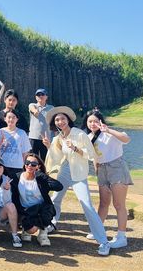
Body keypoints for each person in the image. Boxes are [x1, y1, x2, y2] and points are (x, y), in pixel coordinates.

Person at [42, 106, 111, 256]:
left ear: (68, 120)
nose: (60, 122)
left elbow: (91, 155)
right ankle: (52, 224)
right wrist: (49, 146)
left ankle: (103, 241)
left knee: (87, 205)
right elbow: (57, 158)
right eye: (57, 120)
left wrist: (75, 148)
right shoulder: (58, 138)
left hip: (79, 173)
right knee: (55, 199)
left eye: (62, 119)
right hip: (65, 170)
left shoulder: (79, 134)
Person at [84, 110, 132, 249]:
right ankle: (98, 230)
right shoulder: (88, 137)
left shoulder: (108, 134)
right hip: (102, 170)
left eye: (95, 121)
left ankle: (121, 236)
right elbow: (94, 157)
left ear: (100, 122)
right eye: (89, 121)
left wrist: (109, 130)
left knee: (119, 204)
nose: (92, 124)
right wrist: (97, 171)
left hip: (116, 167)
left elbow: (126, 139)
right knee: (103, 203)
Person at [10, 153, 63, 246]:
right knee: (31, 230)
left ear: (38, 167)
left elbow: (59, 186)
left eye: (33, 164)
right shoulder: (16, 177)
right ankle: (26, 229)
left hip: (41, 209)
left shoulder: (40, 179)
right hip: (26, 210)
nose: (30, 165)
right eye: (27, 163)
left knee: (47, 210)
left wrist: (43, 176)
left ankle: (43, 232)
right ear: (24, 164)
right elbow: (12, 196)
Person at [0, 110, 31, 179]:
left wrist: (25, 166)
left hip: (17, 166)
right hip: (3, 165)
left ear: (17, 119)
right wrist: (0, 142)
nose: (11, 119)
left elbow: (25, 152)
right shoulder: (0, 131)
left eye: (13, 117)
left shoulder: (22, 133)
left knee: (15, 188)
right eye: (9, 117)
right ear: (5, 119)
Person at [28, 88, 54, 161]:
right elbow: (32, 108)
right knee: (32, 159)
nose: (40, 96)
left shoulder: (51, 108)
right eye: (38, 95)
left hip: (46, 138)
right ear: (36, 97)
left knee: (45, 159)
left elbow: (54, 123)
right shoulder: (32, 105)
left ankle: (44, 172)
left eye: (42, 94)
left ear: (46, 97)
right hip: (33, 137)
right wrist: (35, 111)